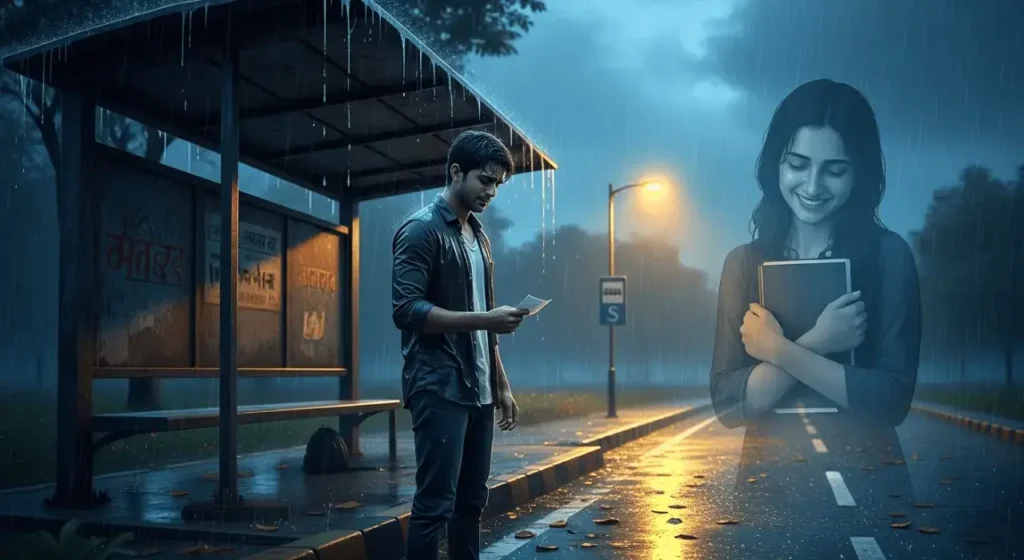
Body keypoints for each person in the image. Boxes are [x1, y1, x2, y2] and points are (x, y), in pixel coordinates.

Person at [709, 79, 922, 501]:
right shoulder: (743, 264)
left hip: (875, 487)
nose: (812, 185)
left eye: (834, 170)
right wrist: (820, 341)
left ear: (860, 173)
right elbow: (730, 405)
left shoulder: (888, 257)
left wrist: (780, 349)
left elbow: (890, 401)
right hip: (763, 492)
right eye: (798, 164)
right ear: (777, 164)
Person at [392, 129, 528, 560]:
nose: (491, 192)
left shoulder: (480, 238)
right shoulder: (420, 231)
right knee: (434, 507)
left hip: (480, 390)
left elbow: (484, 318)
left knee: (471, 505)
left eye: (497, 184)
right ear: (456, 172)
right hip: (438, 386)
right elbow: (407, 310)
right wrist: (484, 320)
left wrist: (502, 383)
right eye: (484, 181)